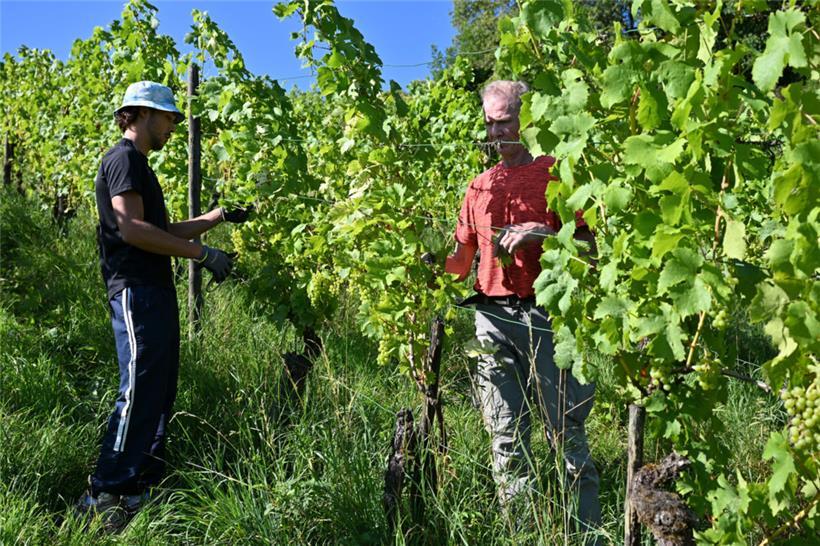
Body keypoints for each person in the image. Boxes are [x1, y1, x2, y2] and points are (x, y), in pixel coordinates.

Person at [75, 81, 250, 526]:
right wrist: (203, 255)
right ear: (142, 114)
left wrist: (216, 219)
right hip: (134, 290)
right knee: (137, 390)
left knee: (157, 390)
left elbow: (162, 231)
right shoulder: (123, 159)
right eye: (169, 117)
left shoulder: (141, 167)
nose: (174, 125)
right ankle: (104, 492)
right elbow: (132, 229)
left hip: (154, 290)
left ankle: (137, 489)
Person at [445, 80, 601, 539]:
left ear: (525, 118)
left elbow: (592, 251)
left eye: (505, 122)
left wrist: (544, 233)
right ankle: (523, 532)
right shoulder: (479, 187)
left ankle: (586, 531)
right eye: (490, 125)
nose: (497, 133)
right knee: (506, 437)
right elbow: (458, 263)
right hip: (490, 317)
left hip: (547, 316)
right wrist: (417, 256)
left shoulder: (557, 173)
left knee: (566, 432)